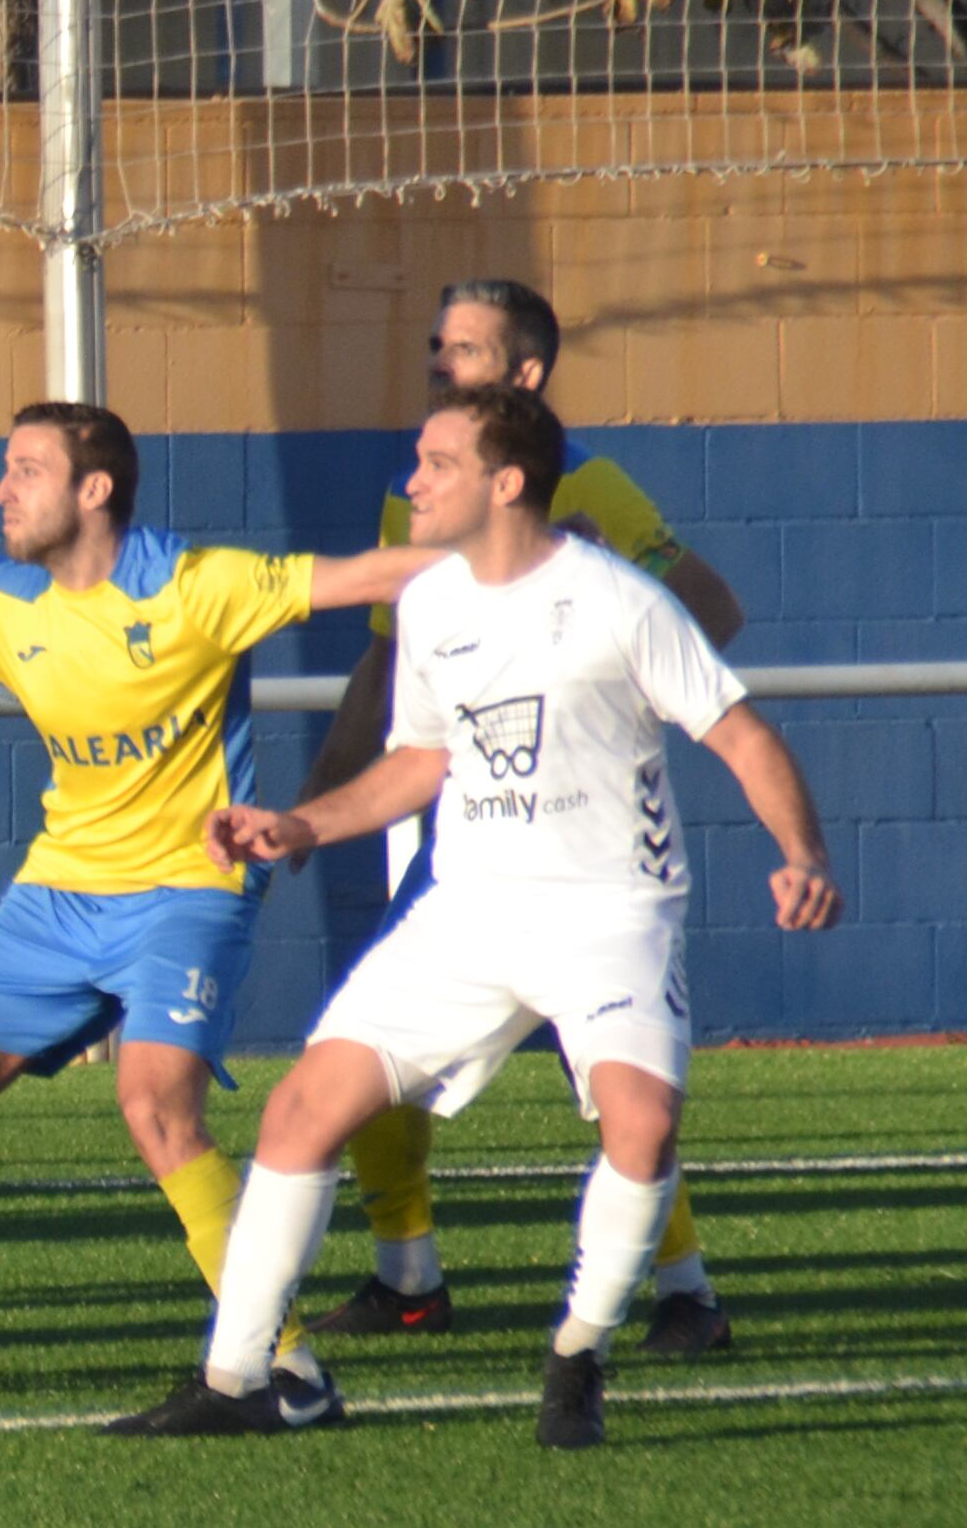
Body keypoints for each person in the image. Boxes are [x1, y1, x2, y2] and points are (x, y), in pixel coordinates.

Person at [119, 384, 843, 1449]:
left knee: (641, 1130)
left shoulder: (617, 600)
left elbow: (737, 733)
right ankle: (237, 1382)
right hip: (467, 914)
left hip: (608, 915)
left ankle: (577, 1355)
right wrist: (303, 824)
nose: (411, 481)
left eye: (436, 462)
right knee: (299, 1113)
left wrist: (802, 854)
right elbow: (420, 761)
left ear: (506, 483)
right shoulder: (433, 604)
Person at [0, 403, 441, 1409]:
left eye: (25, 470)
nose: (1, 490)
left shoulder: (197, 587)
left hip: (190, 890)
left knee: (155, 1110)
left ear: (93, 491)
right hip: (59, 892)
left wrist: (523, 558)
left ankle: (285, 1363)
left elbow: (371, 576)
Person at [300, 275, 753, 1352]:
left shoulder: (596, 492)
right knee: (365, 1040)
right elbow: (385, 663)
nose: (438, 363)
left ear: (528, 374)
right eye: (436, 343)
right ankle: (407, 1275)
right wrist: (320, 800)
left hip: (582, 846)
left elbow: (717, 614)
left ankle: (685, 1291)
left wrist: (597, 585)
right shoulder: (416, 495)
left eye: (463, 349)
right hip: (470, 839)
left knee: (606, 1078)